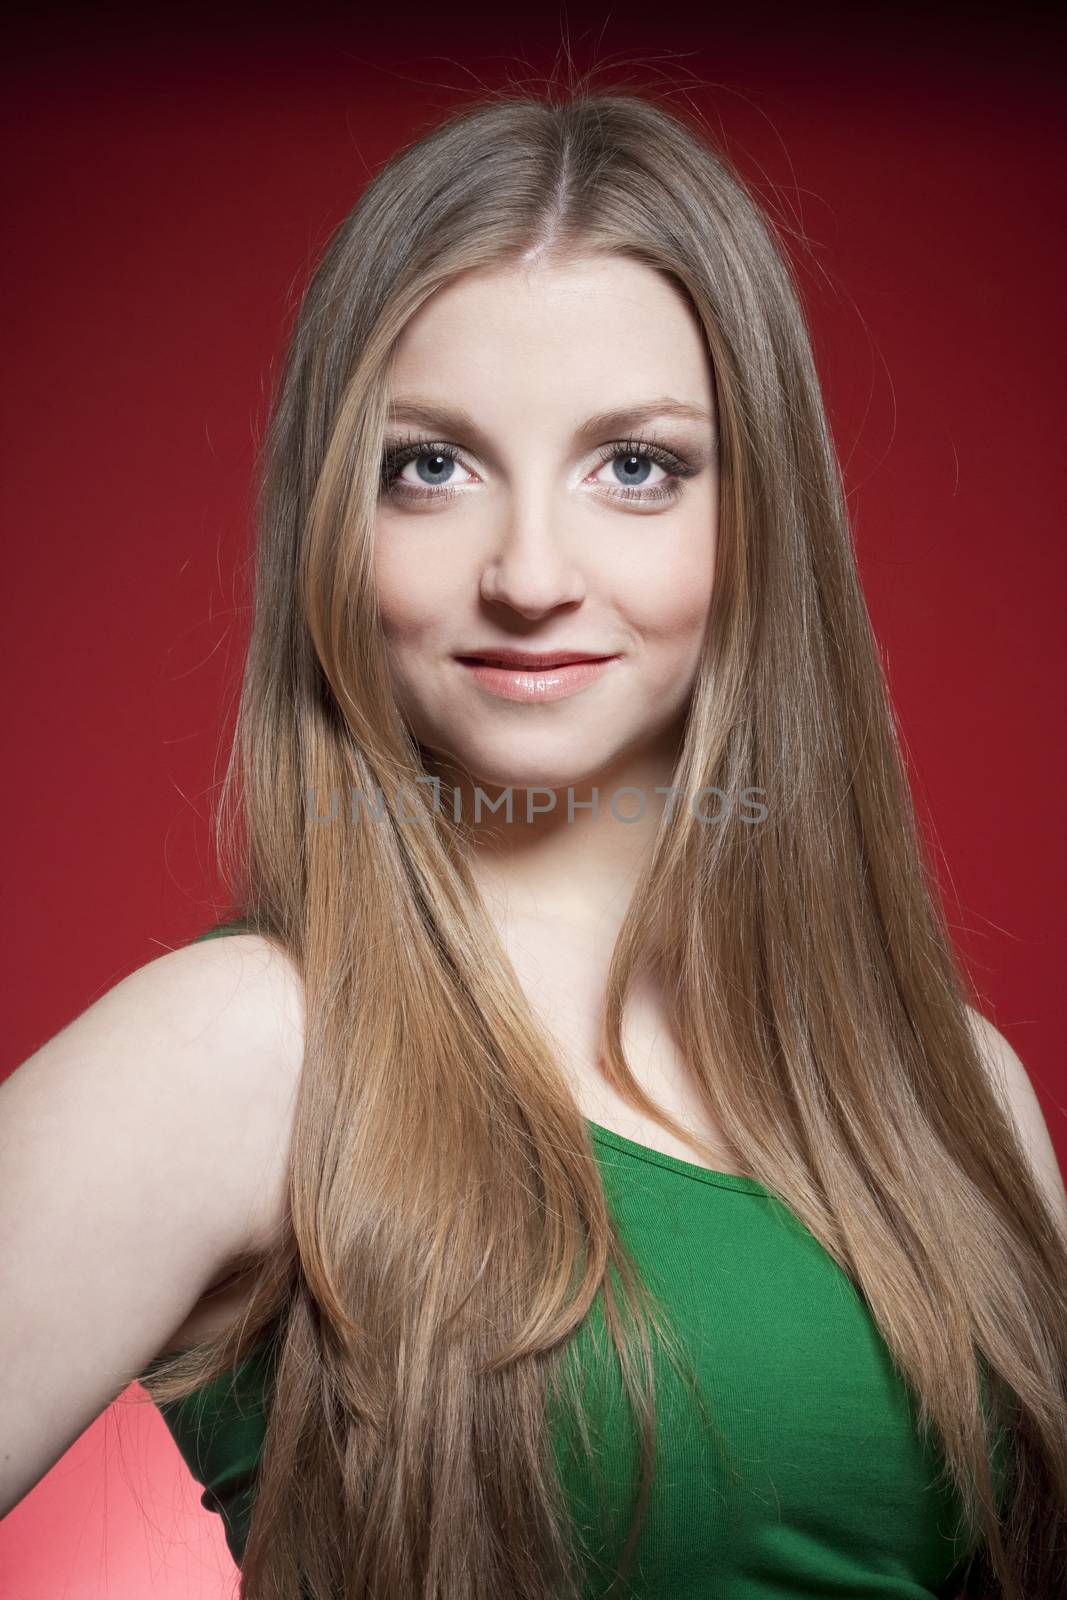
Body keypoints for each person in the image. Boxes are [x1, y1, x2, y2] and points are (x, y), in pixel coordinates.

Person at [2, 79, 1066, 1600]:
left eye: (636, 466)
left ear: (758, 518)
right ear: (334, 519)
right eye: (428, 465)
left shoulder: (957, 1092)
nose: (529, 573)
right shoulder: (250, 1046)